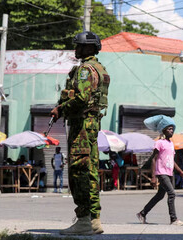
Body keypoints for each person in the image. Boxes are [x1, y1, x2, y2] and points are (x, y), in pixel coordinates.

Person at [50, 31, 110, 235]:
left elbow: (82, 97)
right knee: (90, 170)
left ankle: (84, 220)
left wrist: (61, 109)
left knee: (79, 170)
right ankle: (93, 220)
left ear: (90, 48)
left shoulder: (85, 69)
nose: (76, 50)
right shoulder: (99, 68)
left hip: (82, 125)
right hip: (91, 123)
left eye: (79, 46)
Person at [136, 115, 183, 226]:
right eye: (169, 128)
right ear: (163, 130)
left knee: (160, 195)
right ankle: (173, 219)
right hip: (161, 173)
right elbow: (153, 159)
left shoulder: (171, 144)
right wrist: (153, 176)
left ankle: (142, 213)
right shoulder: (159, 143)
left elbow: (172, 161)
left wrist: (181, 172)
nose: (172, 130)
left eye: (172, 128)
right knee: (172, 193)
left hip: (169, 173)